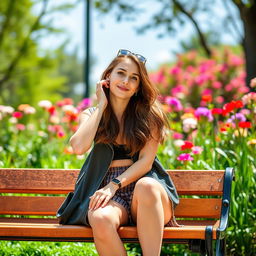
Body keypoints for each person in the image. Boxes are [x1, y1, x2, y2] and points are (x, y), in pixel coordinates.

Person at [65, 49, 179, 256]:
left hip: (148, 190)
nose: (126, 81)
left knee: (146, 186)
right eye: (121, 73)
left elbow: (145, 162)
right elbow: (78, 147)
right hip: (110, 194)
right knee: (99, 218)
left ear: (138, 87)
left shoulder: (150, 116)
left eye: (134, 78)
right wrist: (101, 106)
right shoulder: (91, 115)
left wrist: (113, 185)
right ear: (108, 76)